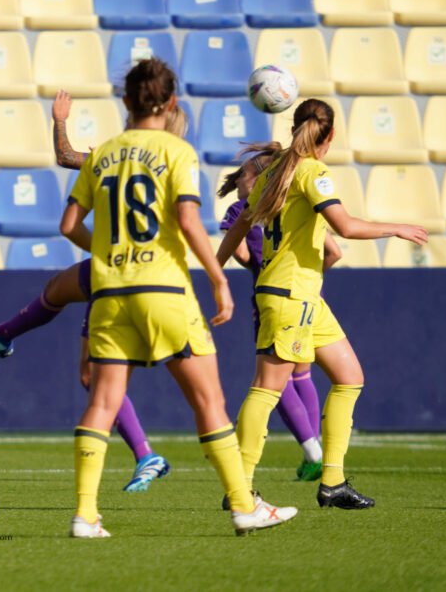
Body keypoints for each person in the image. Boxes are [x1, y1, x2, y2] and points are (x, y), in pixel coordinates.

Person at [62, 58, 296, 538]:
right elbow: (188, 222)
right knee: (208, 401)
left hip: (110, 294)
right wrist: (217, 278)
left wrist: (108, 250)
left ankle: (86, 515)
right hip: (165, 292)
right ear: (170, 103)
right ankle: (243, 504)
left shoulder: (104, 154)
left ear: (125, 101)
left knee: (103, 402)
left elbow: (69, 226)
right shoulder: (177, 152)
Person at [0, 93, 189, 494]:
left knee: (95, 377)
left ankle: (143, 457)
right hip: (154, 269)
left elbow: (67, 158)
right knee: (57, 290)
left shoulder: (115, 155)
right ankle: (4, 333)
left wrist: (60, 120)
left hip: (118, 270)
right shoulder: (177, 161)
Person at [216, 99, 428, 510]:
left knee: (349, 376)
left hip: (303, 294)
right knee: (266, 388)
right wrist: (396, 228)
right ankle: (238, 488)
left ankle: (332, 482)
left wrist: (216, 273)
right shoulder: (311, 171)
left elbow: (239, 226)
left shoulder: (274, 172)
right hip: (289, 294)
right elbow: (345, 227)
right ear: (328, 136)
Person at [217, 145, 342, 482]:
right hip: (306, 293)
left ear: (255, 177)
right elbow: (334, 252)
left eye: (243, 175)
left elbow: (243, 255)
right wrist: (309, 276)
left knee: (274, 379)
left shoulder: (243, 207)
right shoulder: (294, 201)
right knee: (302, 373)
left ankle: (312, 450)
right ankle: (314, 451)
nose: (240, 182)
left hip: (273, 297)